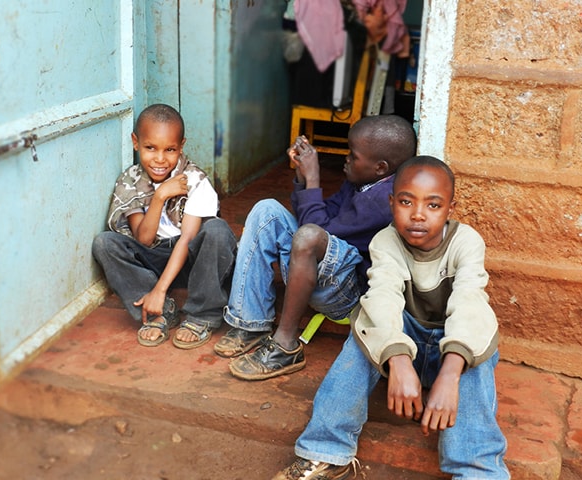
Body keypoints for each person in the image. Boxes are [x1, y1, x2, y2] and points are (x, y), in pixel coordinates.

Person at [273, 156, 510, 480]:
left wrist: (451, 373)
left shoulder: (465, 242)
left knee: (477, 343)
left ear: (450, 209)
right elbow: (382, 299)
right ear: (391, 203)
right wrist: (398, 360)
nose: (417, 214)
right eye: (406, 202)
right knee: (366, 322)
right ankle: (326, 450)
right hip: (403, 347)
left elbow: (469, 303)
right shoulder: (386, 241)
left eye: (433, 205)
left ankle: (478, 470)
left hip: (451, 350)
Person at [214, 115, 417, 380]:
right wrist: (302, 178)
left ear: (380, 167)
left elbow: (318, 233)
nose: (346, 158)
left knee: (309, 235)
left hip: (348, 294)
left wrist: (313, 179)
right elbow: (320, 217)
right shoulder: (362, 183)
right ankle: (250, 323)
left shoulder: (383, 200)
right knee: (266, 210)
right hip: (319, 271)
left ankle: (286, 345)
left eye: (352, 155)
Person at [92, 104, 237, 349]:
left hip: (194, 261)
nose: (160, 159)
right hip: (155, 258)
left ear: (181, 146)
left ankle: (202, 315)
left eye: (170, 150)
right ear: (136, 143)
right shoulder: (131, 181)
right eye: (150, 148)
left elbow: (187, 238)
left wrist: (160, 289)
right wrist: (159, 197)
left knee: (217, 230)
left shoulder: (195, 180)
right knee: (104, 244)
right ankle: (162, 312)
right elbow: (144, 240)